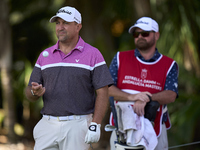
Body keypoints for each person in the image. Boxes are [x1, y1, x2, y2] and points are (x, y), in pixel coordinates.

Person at [25, 6, 113, 150]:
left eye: (65, 23)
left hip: (78, 126)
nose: (60, 27)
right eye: (58, 23)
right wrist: (34, 92)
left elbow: (103, 91)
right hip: (48, 125)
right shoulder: (45, 55)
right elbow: (29, 91)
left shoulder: (93, 54)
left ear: (78, 26)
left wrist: (95, 124)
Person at [109, 17, 178, 150]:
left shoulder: (169, 64)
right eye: (136, 34)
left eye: (145, 33)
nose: (140, 36)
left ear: (156, 35)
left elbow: (171, 95)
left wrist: (147, 98)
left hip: (155, 124)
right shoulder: (120, 58)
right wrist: (133, 97)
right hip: (121, 127)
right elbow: (107, 88)